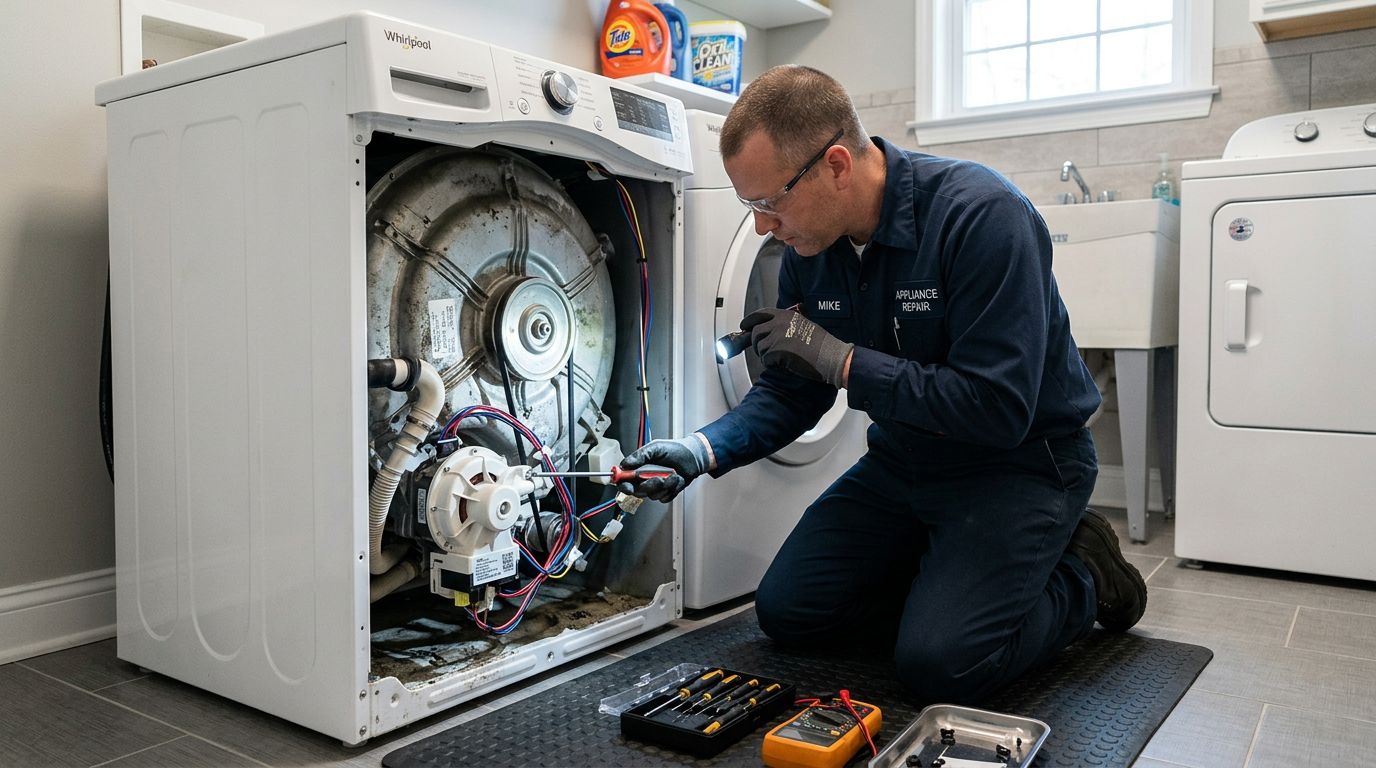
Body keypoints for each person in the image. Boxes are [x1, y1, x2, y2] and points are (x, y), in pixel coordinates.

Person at [618, 65, 1147, 702]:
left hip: (1019, 467)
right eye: (748, 207)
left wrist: (843, 362)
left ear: (836, 164)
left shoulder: (982, 217)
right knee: (788, 612)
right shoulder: (811, 248)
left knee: (941, 667)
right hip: (904, 463)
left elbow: (997, 408)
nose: (762, 226)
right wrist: (699, 451)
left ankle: (1083, 569)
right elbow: (793, 389)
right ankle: (952, 585)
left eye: (769, 202)